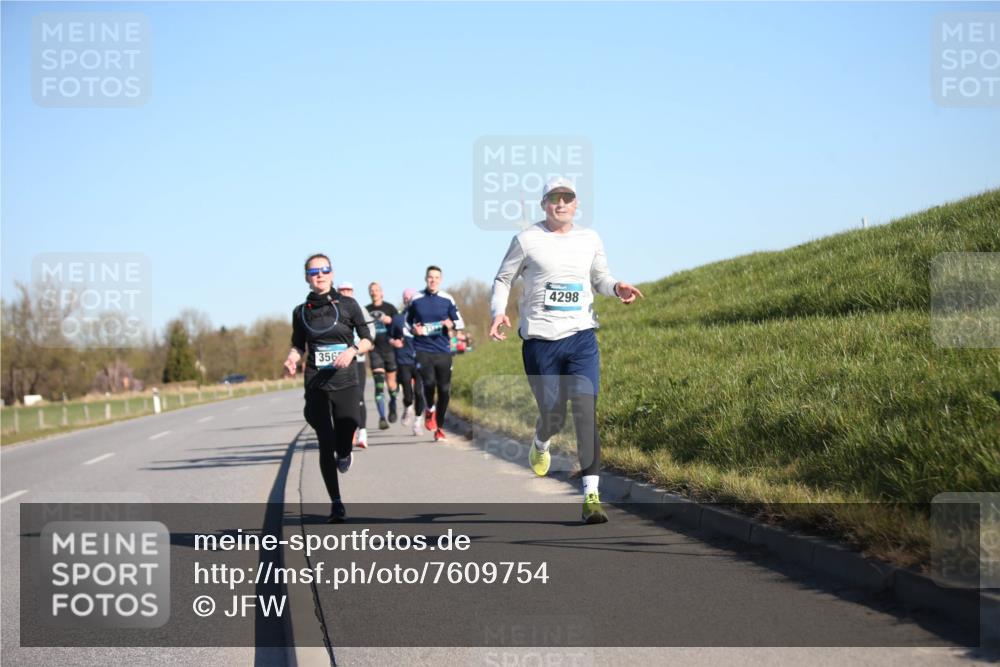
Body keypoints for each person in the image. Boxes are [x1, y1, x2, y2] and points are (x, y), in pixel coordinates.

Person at [489, 177, 644, 524]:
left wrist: (616, 286)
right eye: (553, 198)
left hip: (581, 337)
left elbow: (599, 277)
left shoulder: (590, 239)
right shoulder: (527, 240)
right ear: (544, 204)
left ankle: (591, 496)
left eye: (567, 197)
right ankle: (542, 440)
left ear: (577, 205)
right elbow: (503, 279)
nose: (561, 203)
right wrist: (498, 312)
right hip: (540, 342)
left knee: (585, 413)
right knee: (553, 414)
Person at [284, 255, 373, 522]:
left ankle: (344, 452)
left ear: (332, 273)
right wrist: (292, 358)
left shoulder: (348, 305)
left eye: (324, 270)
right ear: (306, 277)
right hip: (316, 383)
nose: (319, 275)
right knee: (325, 441)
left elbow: (369, 339)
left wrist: (353, 350)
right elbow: (299, 345)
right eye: (314, 271)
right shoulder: (301, 311)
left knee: (349, 424)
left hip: (345, 380)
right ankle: (336, 503)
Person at [407, 265, 465, 442]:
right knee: (429, 382)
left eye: (436, 277)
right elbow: (407, 323)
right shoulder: (416, 299)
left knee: (445, 390)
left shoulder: (447, 299)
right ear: (426, 279)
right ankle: (429, 409)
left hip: (443, 350)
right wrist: (414, 330)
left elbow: (459, 322)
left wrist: (451, 325)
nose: (433, 280)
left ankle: (439, 427)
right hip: (423, 349)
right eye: (430, 277)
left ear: (441, 279)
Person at [336, 281, 375, 449]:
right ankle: (349, 431)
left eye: (348, 289)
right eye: (342, 290)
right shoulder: (333, 308)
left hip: (356, 359)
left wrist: (359, 347)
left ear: (353, 291)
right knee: (343, 399)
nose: (345, 292)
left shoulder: (360, 308)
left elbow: (370, 332)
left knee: (358, 395)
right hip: (336, 362)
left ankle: (363, 432)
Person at [389, 288, 426, 436]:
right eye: (406, 298)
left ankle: (417, 422)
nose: (408, 300)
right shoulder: (398, 318)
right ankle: (407, 407)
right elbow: (389, 336)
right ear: (404, 300)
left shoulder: (422, 317)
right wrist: (394, 342)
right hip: (403, 360)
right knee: (408, 393)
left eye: (411, 298)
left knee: (419, 392)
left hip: (420, 359)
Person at [366, 281, 400, 429]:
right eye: (371, 290)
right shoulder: (365, 310)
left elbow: (399, 326)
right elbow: (362, 328)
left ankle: (393, 404)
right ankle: (382, 418)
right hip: (375, 350)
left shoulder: (390, 308)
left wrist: (391, 321)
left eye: (376, 290)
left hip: (390, 350)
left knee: (392, 385)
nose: (374, 292)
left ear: (382, 292)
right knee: (379, 385)